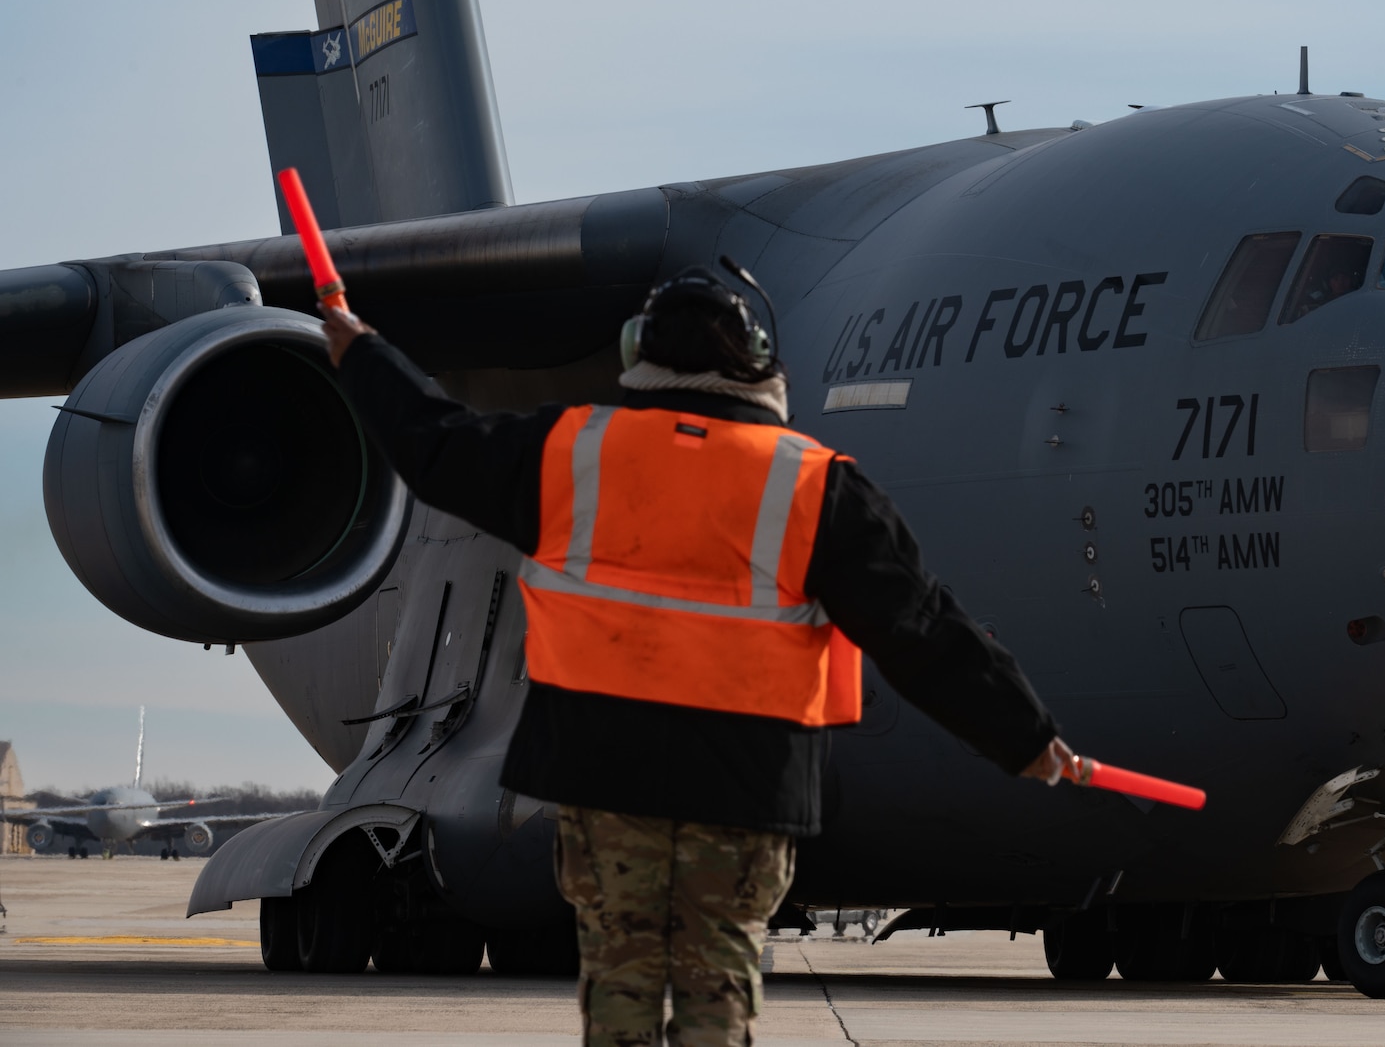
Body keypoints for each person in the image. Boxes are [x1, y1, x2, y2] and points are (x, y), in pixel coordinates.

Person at [322, 266, 1071, 1047]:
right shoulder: (813, 485)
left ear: (638, 353)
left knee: (622, 985)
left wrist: (363, 352)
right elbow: (922, 629)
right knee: (719, 993)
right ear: (755, 361)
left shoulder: (571, 453)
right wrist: (1025, 736)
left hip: (605, 780)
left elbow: (432, 442)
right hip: (743, 792)